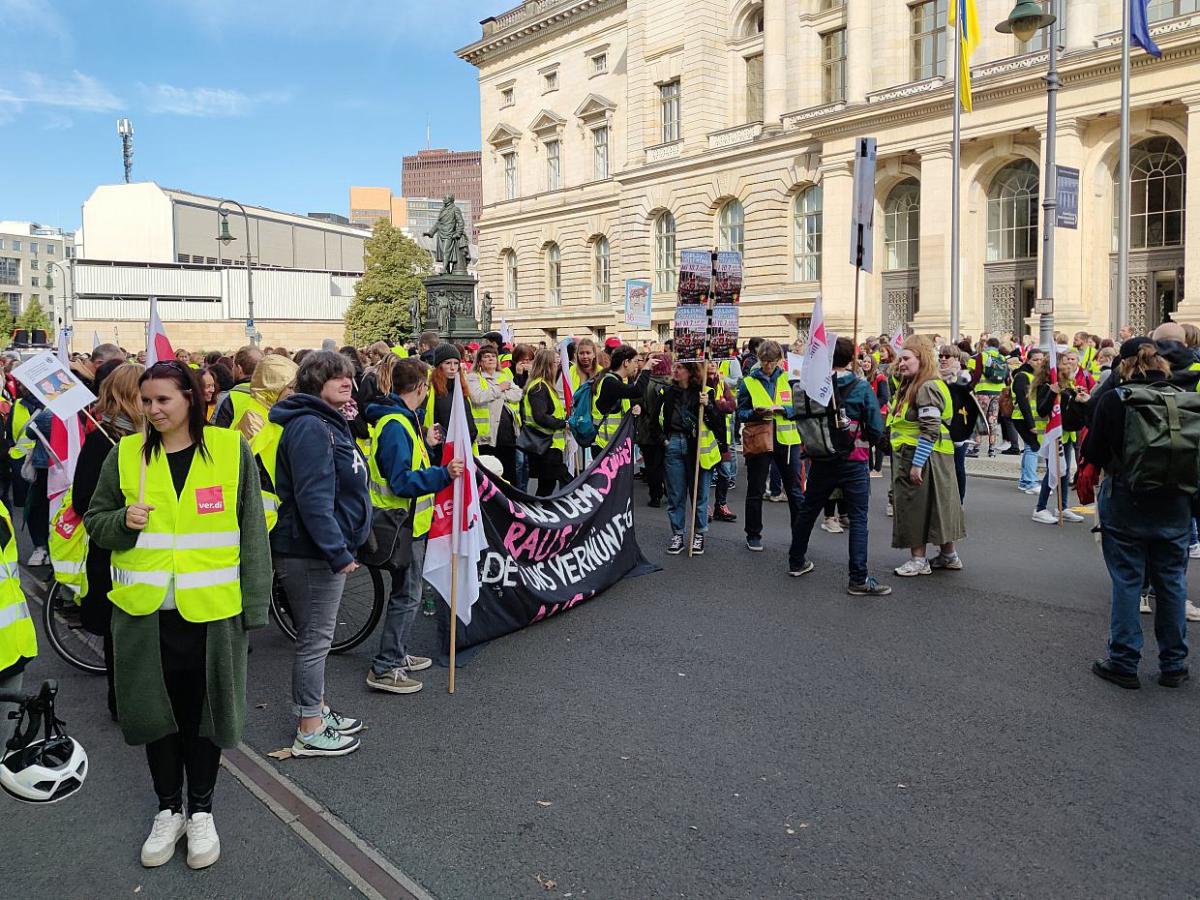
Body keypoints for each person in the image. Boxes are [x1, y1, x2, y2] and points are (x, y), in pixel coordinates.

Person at [83, 360, 270, 870]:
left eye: (163, 399)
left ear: (191, 397)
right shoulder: (124, 456)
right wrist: (123, 520)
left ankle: (202, 811)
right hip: (144, 616)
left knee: (203, 719)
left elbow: (252, 533)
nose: (153, 409)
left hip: (211, 615)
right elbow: (94, 521)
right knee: (157, 720)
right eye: (146, 401)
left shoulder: (231, 452)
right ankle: (169, 809)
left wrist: (256, 607)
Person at [270, 351, 371, 755]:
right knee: (315, 639)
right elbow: (314, 498)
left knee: (317, 638)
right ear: (315, 381)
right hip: (309, 551)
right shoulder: (312, 426)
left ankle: (317, 708)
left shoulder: (325, 421)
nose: (347, 382)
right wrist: (336, 550)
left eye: (348, 376)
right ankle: (309, 726)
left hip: (316, 547)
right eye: (336, 377)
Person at [1084, 339, 1192, 689]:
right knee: (1172, 583)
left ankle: (1124, 661)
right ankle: (1174, 664)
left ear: (1124, 364)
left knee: (1129, 581)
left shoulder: (1116, 399)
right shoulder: (1185, 398)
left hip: (1127, 497)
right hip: (1176, 500)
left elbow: (1095, 449)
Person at [365, 357, 462, 694]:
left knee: (407, 593)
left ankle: (397, 653)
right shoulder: (396, 424)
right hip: (400, 523)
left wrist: (429, 448)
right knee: (407, 595)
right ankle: (386, 665)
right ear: (421, 387)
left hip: (405, 521)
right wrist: (442, 474)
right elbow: (401, 481)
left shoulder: (401, 421)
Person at [787, 337, 890, 595]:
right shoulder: (860, 386)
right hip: (853, 460)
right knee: (858, 518)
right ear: (851, 359)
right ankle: (858, 578)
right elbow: (876, 427)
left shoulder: (812, 386)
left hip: (820, 457)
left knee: (809, 510)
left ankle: (796, 561)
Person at [70, 363, 144, 720]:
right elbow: (82, 499)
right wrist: (122, 514)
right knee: (120, 630)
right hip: (112, 550)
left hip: (148, 554)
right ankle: (122, 702)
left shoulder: (150, 438)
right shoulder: (103, 437)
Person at [889, 336, 966, 576]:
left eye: (906, 358)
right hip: (935, 456)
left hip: (921, 455)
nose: (900, 363)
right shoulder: (920, 383)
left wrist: (917, 464)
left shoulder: (926, 386)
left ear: (921, 359)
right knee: (939, 507)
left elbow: (930, 428)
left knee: (915, 508)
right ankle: (948, 555)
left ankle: (918, 560)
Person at [737, 340, 803, 552]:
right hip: (760, 438)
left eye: (771, 362)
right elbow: (740, 413)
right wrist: (755, 413)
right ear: (758, 359)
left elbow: (801, 408)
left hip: (787, 441)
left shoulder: (791, 379)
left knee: (794, 490)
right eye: (764, 362)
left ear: (779, 360)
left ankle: (800, 533)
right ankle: (753, 534)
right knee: (755, 489)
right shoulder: (748, 382)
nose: (767, 366)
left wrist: (785, 409)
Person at [659, 361, 724, 555]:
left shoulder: (705, 392)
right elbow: (656, 419)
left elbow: (718, 424)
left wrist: (709, 406)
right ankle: (678, 533)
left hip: (698, 448)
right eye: (675, 367)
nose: (675, 371)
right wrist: (664, 440)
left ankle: (699, 534)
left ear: (691, 371)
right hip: (674, 444)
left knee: (699, 496)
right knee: (676, 494)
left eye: (680, 368)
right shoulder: (668, 392)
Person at [1031, 350, 1091, 525]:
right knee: (1054, 471)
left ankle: (1062, 507)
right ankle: (1040, 508)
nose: (1070, 364)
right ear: (1055, 366)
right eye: (1065, 362)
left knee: (1064, 472)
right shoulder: (1046, 385)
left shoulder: (1068, 383)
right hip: (1053, 435)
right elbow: (1043, 410)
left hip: (1066, 434)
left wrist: (1078, 399)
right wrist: (1052, 392)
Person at [466, 344, 522, 482]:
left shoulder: (503, 375)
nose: (490, 359)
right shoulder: (473, 377)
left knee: (509, 473)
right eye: (486, 356)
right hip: (487, 436)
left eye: (493, 356)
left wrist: (498, 393)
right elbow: (478, 397)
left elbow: (517, 394)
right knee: (490, 475)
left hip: (508, 434)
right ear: (479, 362)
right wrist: (500, 389)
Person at [521, 349, 571, 496]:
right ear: (547, 365)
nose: (557, 367)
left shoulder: (544, 385)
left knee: (547, 485)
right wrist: (562, 423)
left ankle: (539, 513)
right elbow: (540, 416)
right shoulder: (540, 387)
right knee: (562, 481)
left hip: (548, 444)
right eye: (555, 363)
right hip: (545, 444)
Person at [593, 346, 650, 451]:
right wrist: (646, 369)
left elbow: (627, 399)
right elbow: (637, 391)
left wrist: (635, 407)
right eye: (635, 361)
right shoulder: (610, 382)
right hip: (605, 446)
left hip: (615, 443)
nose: (636, 365)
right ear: (626, 362)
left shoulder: (617, 380)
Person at [635, 354, 671, 509]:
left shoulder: (645, 384)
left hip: (646, 430)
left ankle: (655, 495)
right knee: (665, 464)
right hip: (665, 431)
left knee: (651, 466)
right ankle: (669, 490)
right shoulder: (672, 385)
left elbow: (637, 403)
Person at [423, 345, 478, 446]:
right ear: (439, 365)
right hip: (440, 448)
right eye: (448, 363)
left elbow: (468, 418)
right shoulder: (430, 390)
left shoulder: (462, 388)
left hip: (463, 446)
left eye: (456, 363)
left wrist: (471, 436)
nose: (453, 368)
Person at [1009, 347, 1046, 493]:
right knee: (1033, 448)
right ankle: (1030, 482)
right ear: (1028, 360)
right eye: (1035, 359)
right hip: (1023, 418)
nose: (1038, 362)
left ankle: (1025, 481)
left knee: (1031, 448)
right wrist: (1031, 424)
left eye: (1041, 359)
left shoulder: (1035, 376)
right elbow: (1023, 401)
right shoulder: (1023, 376)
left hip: (1028, 418)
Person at [971, 337, 1009, 456]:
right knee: (993, 419)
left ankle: (976, 448)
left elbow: (977, 374)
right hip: (998, 392)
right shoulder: (1002, 357)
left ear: (987, 345)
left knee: (979, 419)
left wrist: (972, 386)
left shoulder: (982, 356)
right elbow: (1006, 375)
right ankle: (991, 449)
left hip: (983, 391)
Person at [211, 346, 264, 428]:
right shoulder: (274, 395)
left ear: (239, 369)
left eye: (233, 366)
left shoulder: (228, 398)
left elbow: (219, 433)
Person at [859, 353, 890, 478]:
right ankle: (870, 467)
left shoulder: (880, 377)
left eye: (868, 362)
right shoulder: (862, 378)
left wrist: (872, 407)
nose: (865, 364)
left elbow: (884, 397)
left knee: (878, 440)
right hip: (867, 413)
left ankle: (877, 469)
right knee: (868, 440)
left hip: (879, 413)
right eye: (864, 361)